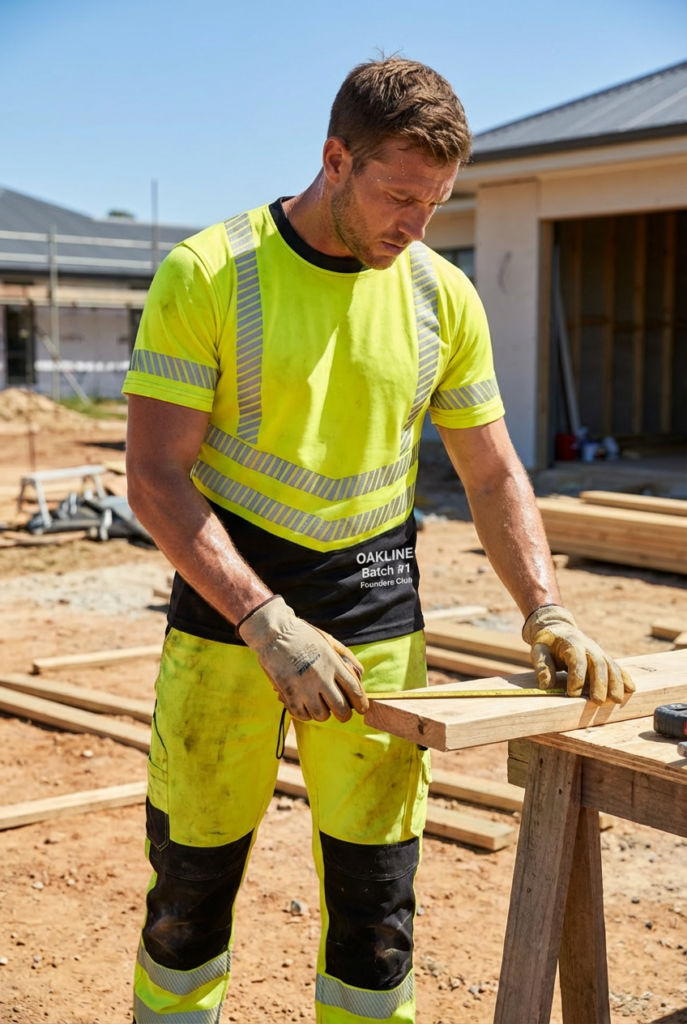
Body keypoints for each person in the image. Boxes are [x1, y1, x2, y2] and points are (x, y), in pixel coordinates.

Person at [123, 56, 634, 1024]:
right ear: (334, 161)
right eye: (400, 197)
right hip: (228, 621)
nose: (417, 225)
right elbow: (154, 477)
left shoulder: (441, 295)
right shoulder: (210, 273)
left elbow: (493, 474)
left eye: (435, 203)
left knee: (377, 913)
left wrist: (547, 610)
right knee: (187, 899)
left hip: (375, 620)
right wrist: (266, 622)